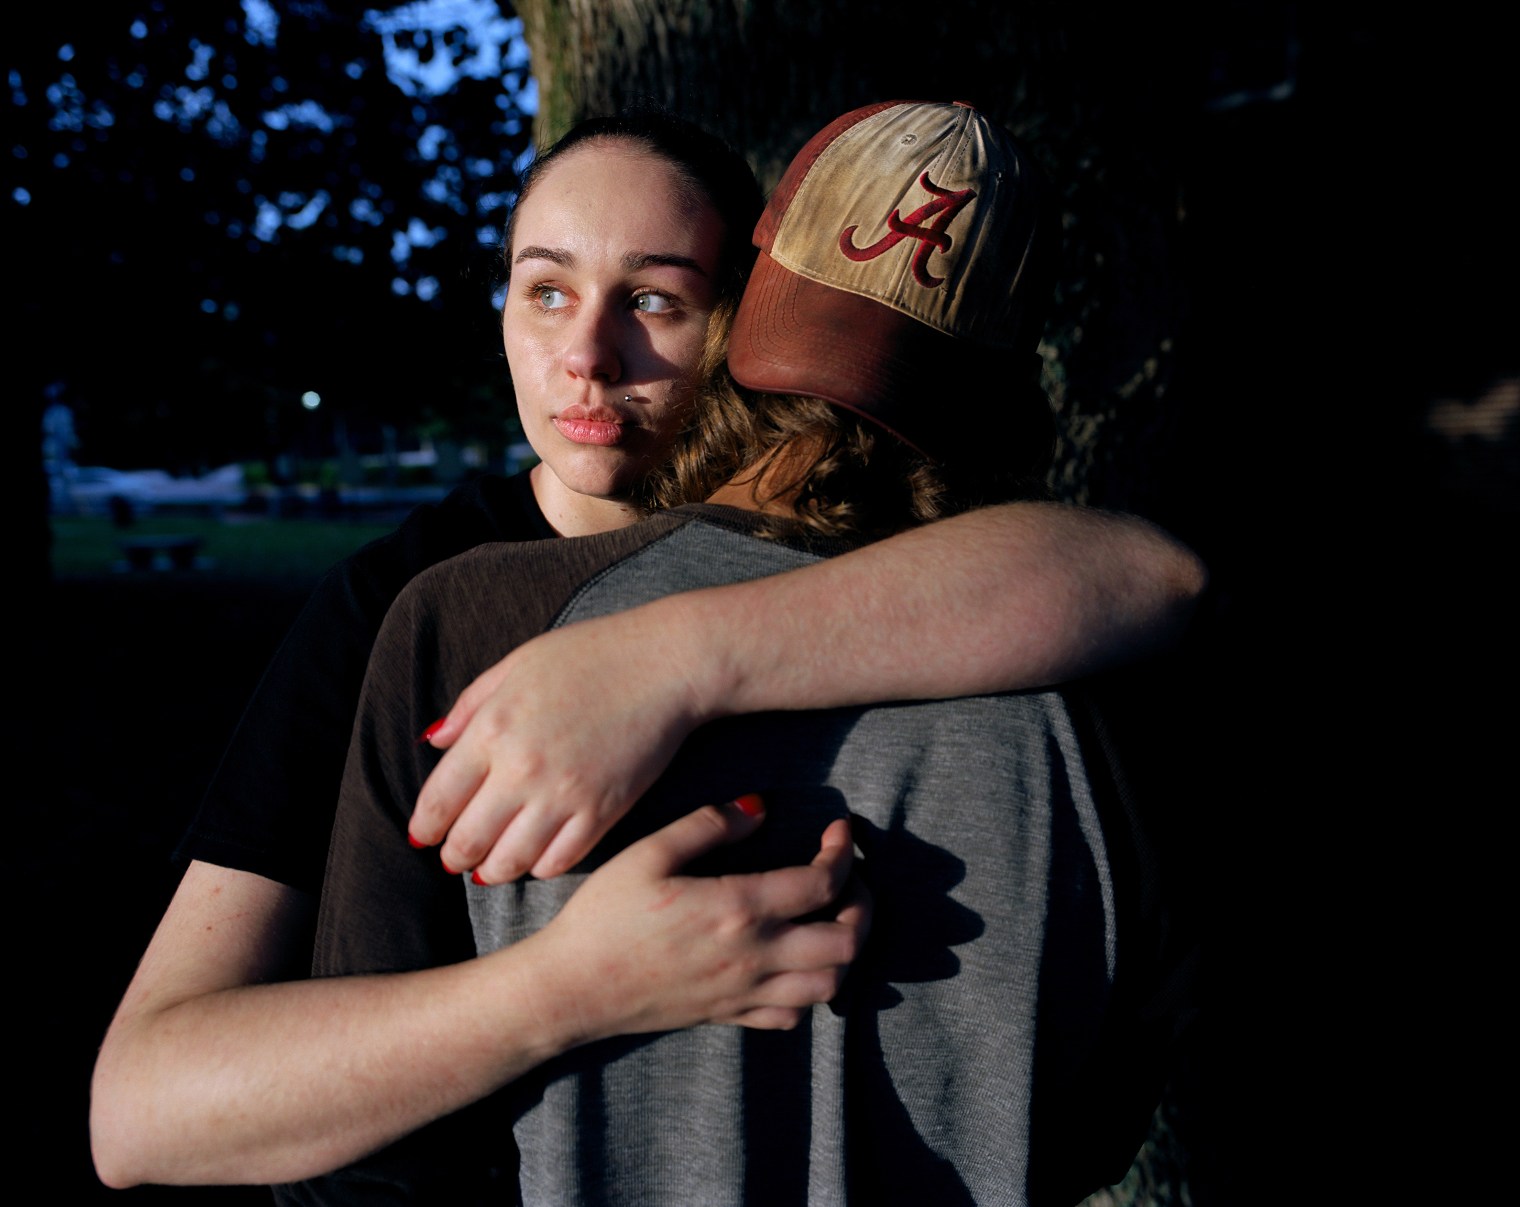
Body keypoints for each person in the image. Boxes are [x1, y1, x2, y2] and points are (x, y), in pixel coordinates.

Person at [90, 108, 1203, 1192]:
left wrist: (675, 654)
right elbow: (143, 1111)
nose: (585, 354)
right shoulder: (403, 608)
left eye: (656, 299)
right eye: (546, 290)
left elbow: (1149, 574)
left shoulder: (950, 596)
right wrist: (567, 988)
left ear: (739, 325)